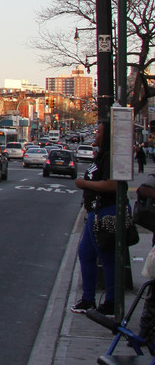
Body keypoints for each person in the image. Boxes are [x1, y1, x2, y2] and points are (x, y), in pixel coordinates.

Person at [72, 120, 118, 315]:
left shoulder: (110, 157)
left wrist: (84, 184)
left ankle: (111, 301)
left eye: (99, 132)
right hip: (94, 211)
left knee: (107, 256)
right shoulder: (100, 156)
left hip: (105, 210)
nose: (96, 134)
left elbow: (112, 185)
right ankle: (88, 299)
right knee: (86, 254)